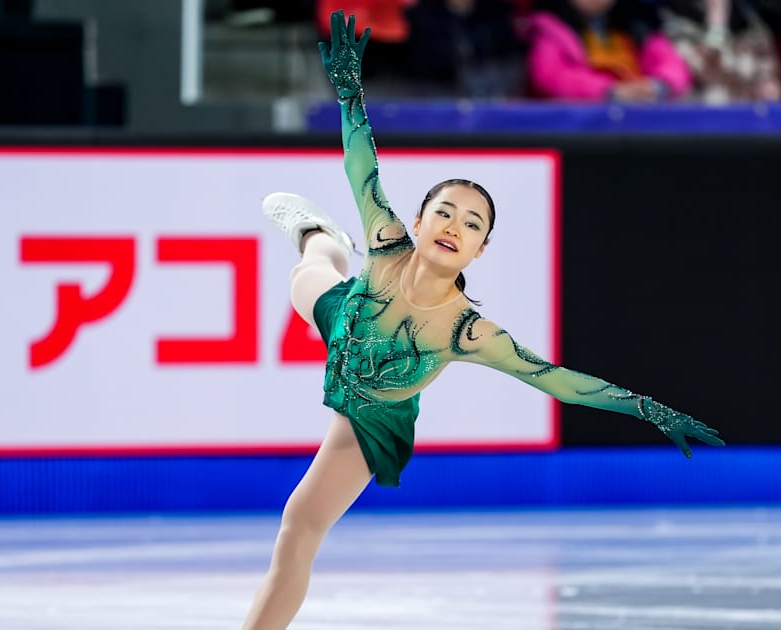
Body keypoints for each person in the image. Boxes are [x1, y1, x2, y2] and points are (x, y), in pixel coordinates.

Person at [242, 11, 724, 628]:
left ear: (478, 251)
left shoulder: (465, 331)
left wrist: (647, 409)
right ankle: (317, 232)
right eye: (444, 213)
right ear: (418, 223)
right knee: (309, 274)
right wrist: (349, 91)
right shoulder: (388, 243)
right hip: (350, 316)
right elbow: (360, 164)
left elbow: (559, 381)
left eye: (472, 225)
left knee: (299, 526)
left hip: (372, 411)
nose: (454, 227)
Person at [526, 0, 692, 102]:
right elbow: (550, 76)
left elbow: (672, 64)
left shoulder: (636, 25)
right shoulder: (549, 28)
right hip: (580, 129)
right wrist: (610, 92)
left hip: (639, 124)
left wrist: (657, 86)